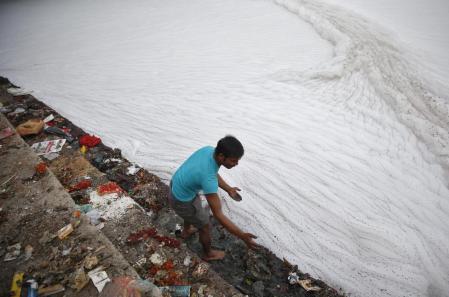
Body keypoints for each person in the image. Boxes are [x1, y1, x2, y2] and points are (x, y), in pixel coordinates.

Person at [168, 135, 259, 261]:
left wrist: (228, 189)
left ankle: (186, 231)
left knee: (194, 210)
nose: (236, 164)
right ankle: (208, 253)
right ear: (221, 156)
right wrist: (242, 235)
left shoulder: (208, 150)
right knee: (205, 226)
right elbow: (218, 214)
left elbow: (212, 171)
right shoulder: (208, 179)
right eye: (233, 161)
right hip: (181, 200)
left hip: (177, 183)